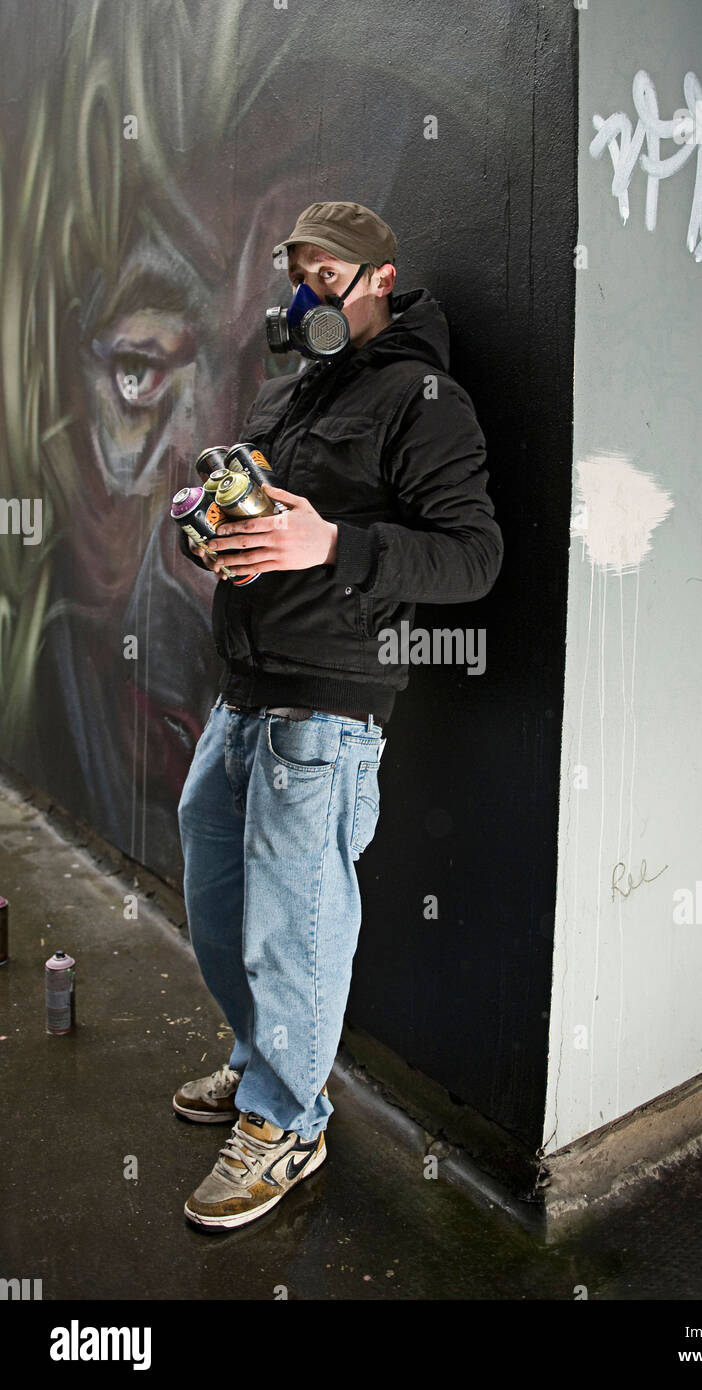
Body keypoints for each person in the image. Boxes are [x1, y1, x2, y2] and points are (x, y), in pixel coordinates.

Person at [174, 201, 503, 1229]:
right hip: (244, 687)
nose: (309, 291)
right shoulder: (295, 391)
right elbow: (269, 510)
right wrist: (216, 532)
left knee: (294, 932)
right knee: (219, 907)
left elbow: (473, 557)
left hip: (326, 709)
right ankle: (258, 1059)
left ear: (379, 280)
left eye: (330, 274)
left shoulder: (424, 397)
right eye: (300, 273)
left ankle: (286, 1125)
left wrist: (333, 548)